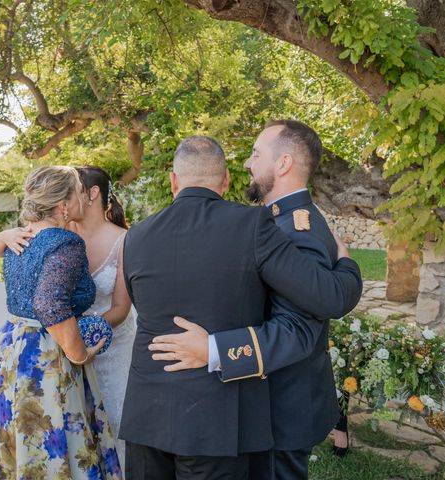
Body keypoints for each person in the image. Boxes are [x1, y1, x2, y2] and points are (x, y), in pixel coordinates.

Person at [120, 136, 362, 480]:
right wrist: (347, 265)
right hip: (215, 421)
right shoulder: (252, 225)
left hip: (146, 416)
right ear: (225, 181)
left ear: (174, 181)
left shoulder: (136, 235)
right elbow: (326, 298)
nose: (250, 162)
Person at [0, 166, 121, 480]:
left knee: (15, 438)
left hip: (11, 348)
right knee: (47, 441)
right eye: (80, 190)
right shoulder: (65, 243)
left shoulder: (21, 236)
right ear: (63, 206)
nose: (86, 195)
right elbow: (50, 304)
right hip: (45, 358)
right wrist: (79, 353)